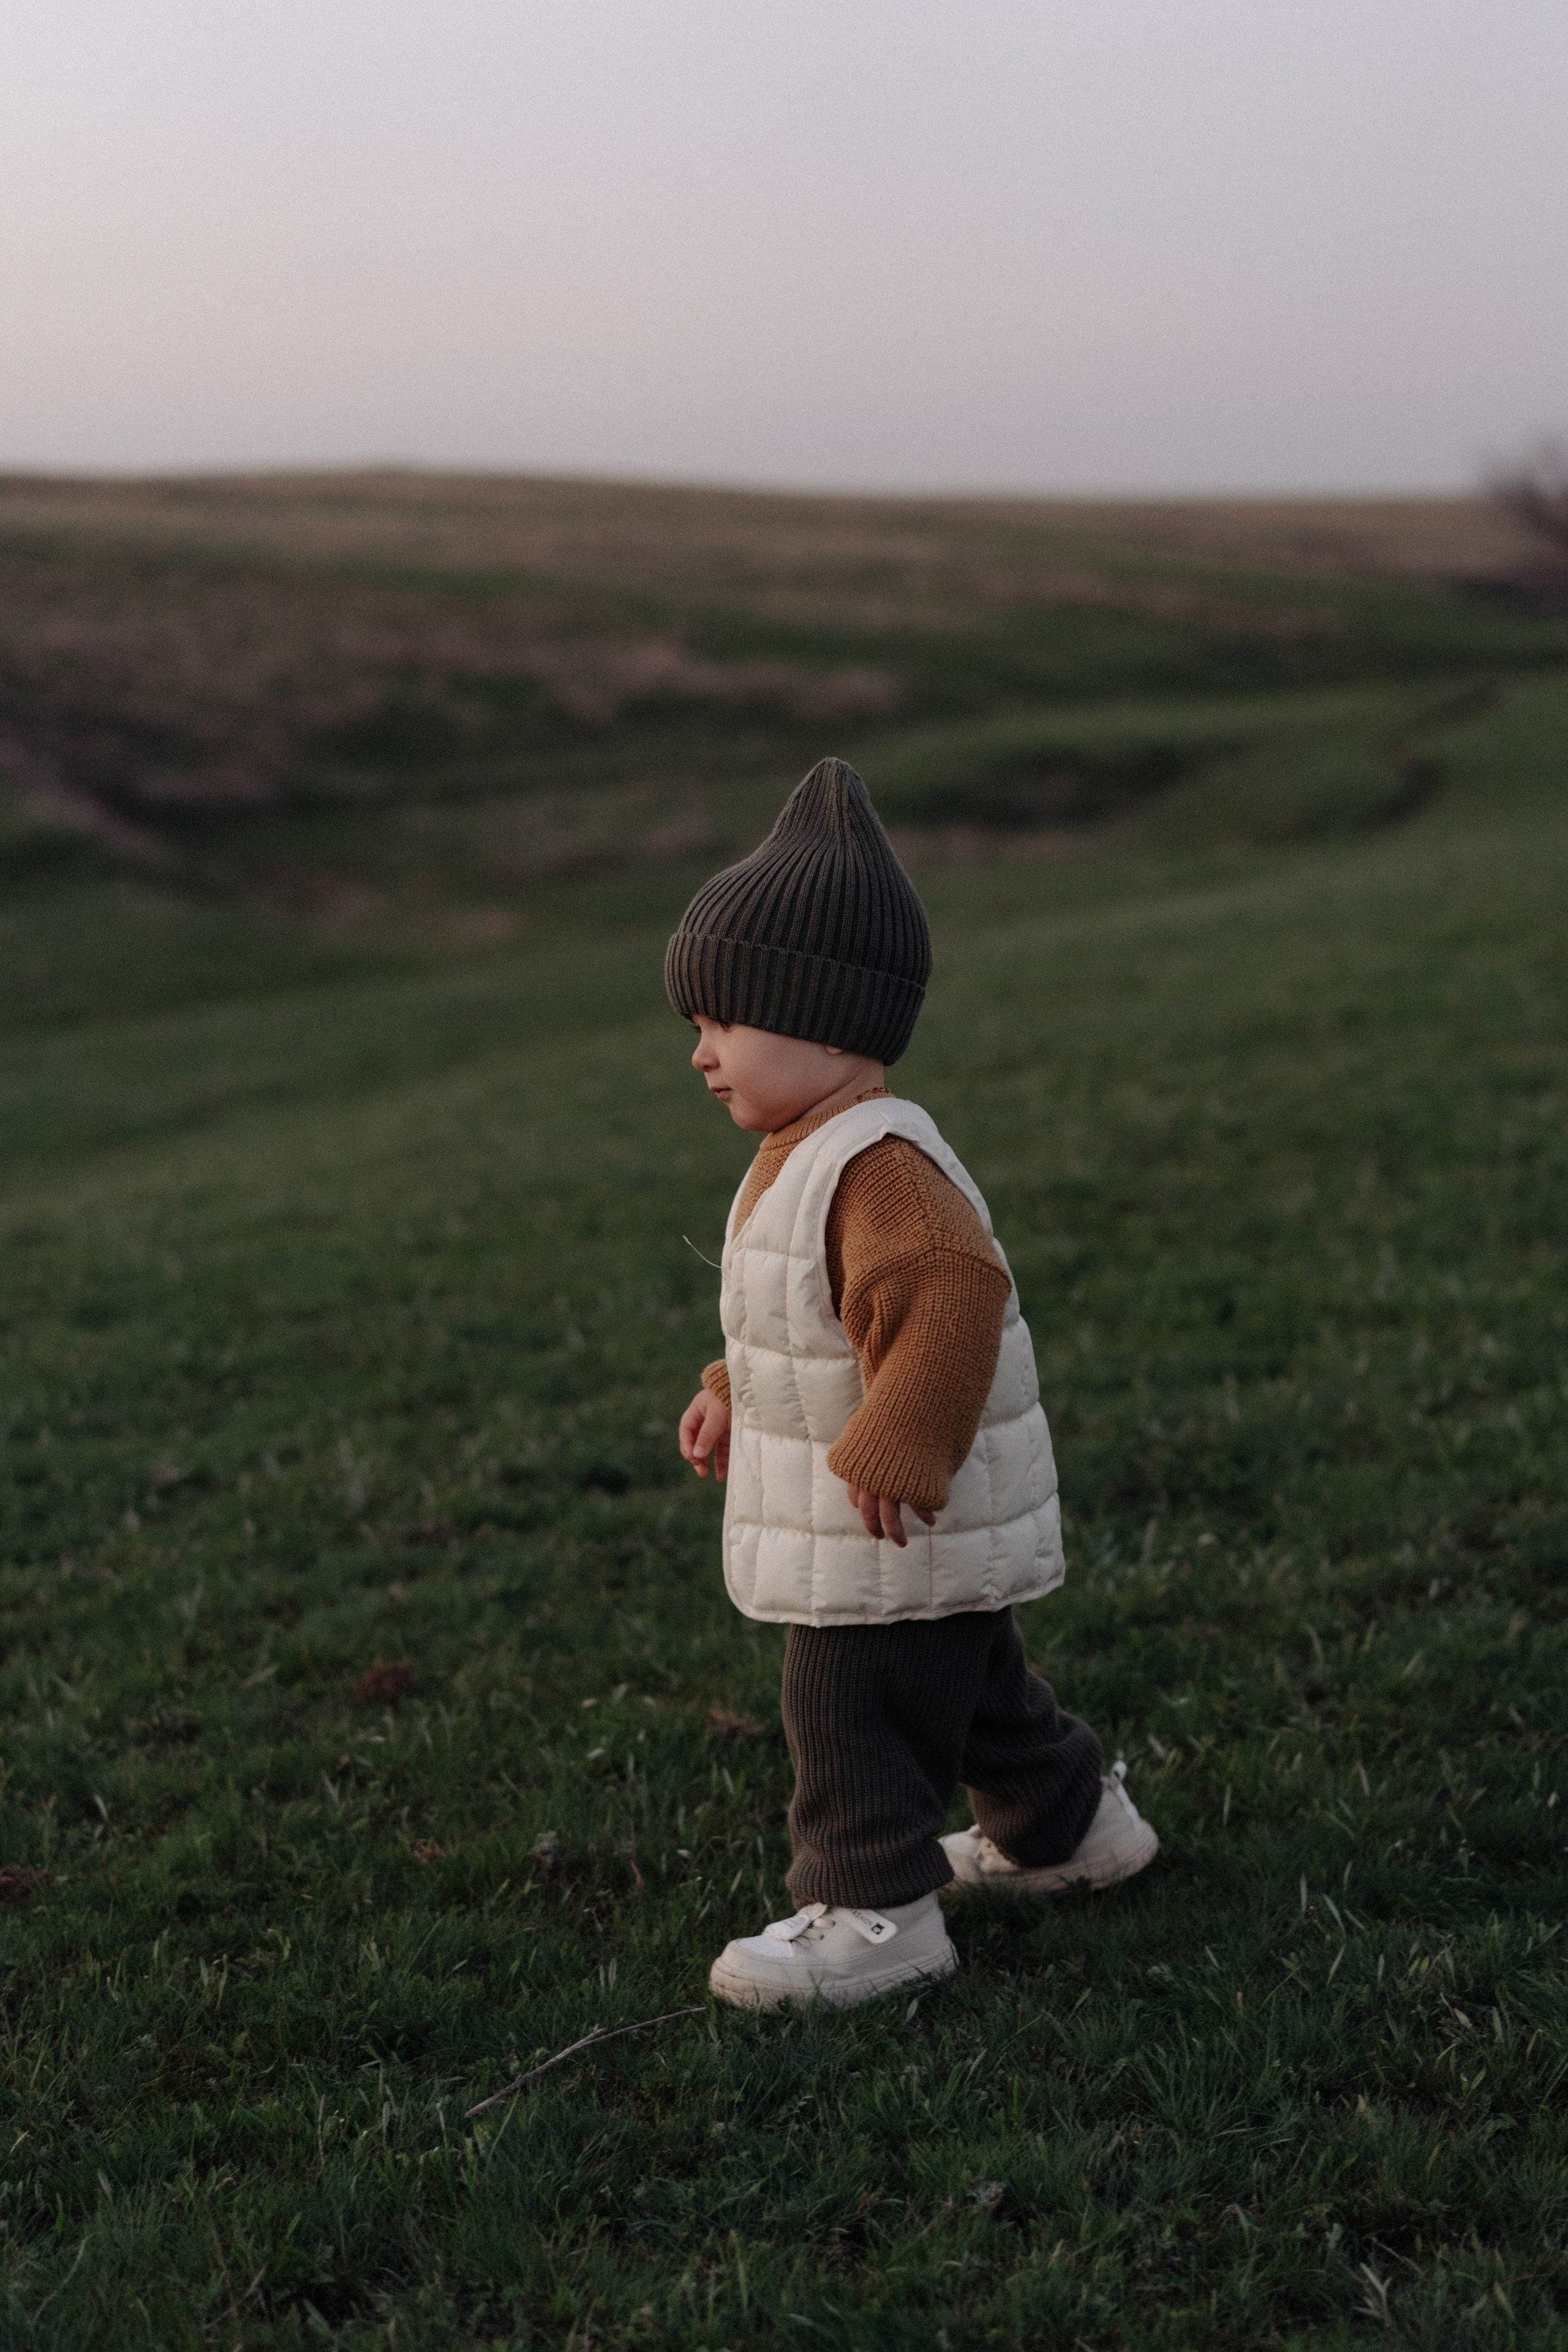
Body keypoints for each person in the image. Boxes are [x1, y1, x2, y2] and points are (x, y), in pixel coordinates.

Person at [668, 758, 1157, 2008]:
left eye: (723, 1023)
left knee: (851, 1709)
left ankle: (877, 1914)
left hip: (884, 1507)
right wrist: (734, 1386)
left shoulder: (878, 1168)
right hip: (892, 1513)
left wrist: (901, 1443)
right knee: (969, 1680)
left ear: (826, 1019)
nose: (701, 1055)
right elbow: (813, 1312)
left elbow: (950, 1295)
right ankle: (1067, 1827)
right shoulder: (809, 1150)